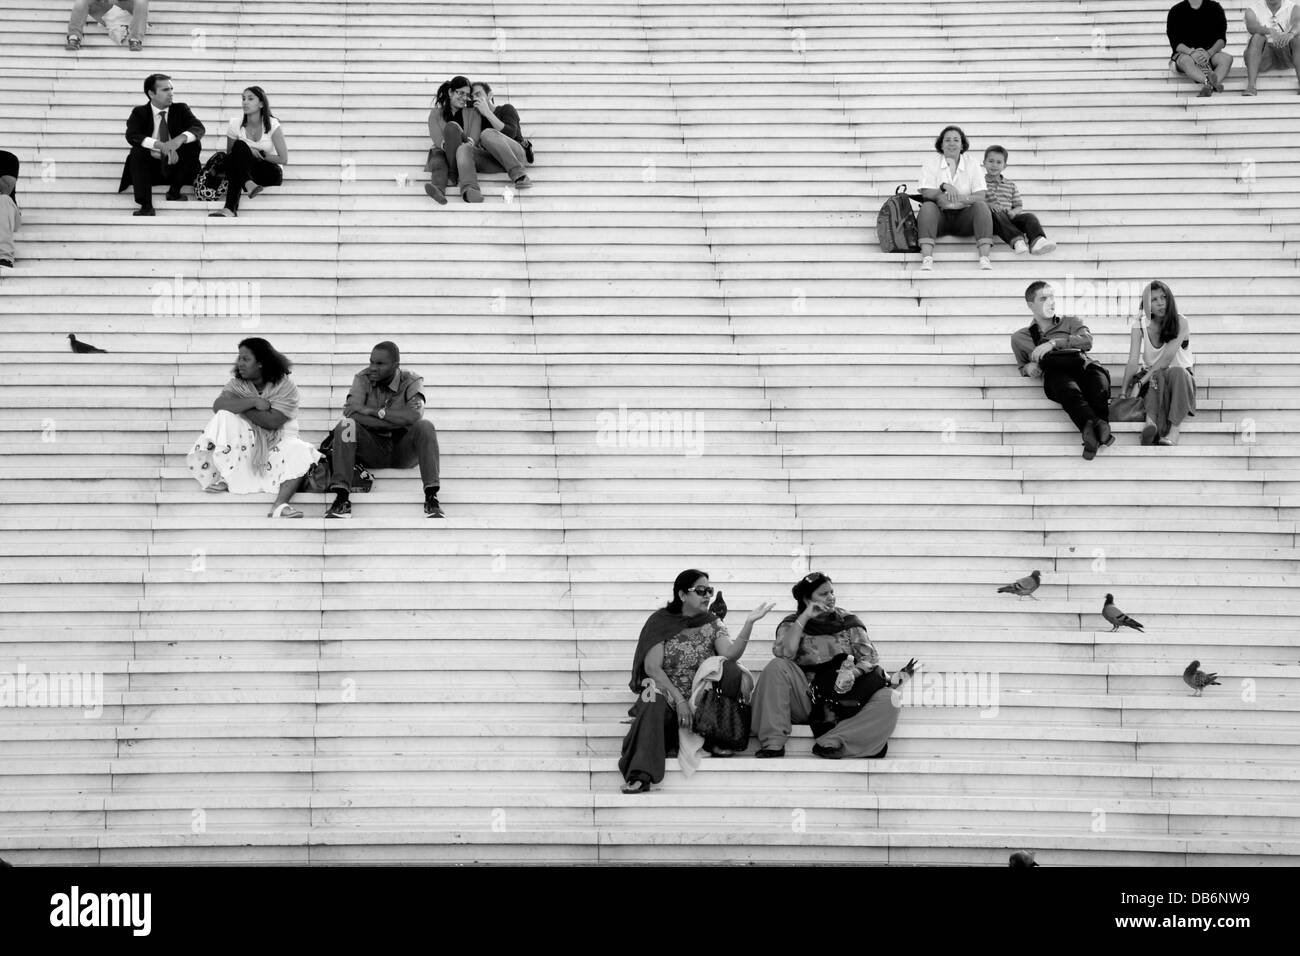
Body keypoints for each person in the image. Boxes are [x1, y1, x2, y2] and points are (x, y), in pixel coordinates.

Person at [619, 570, 775, 793]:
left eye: (709, 590)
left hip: (700, 697)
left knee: (730, 669)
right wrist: (680, 701)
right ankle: (640, 775)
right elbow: (652, 668)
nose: (707, 596)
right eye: (700, 591)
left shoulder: (712, 623)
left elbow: (729, 654)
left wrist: (749, 623)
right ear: (682, 595)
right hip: (666, 692)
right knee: (651, 697)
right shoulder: (661, 622)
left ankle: (716, 736)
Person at [751, 572, 908, 760]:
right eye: (823, 594)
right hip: (808, 698)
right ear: (807, 598)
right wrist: (805, 616)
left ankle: (833, 741)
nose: (831, 597)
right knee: (776, 667)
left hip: (845, 698)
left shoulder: (848, 622)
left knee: (891, 698)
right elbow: (785, 653)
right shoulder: (792, 624)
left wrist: (854, 673)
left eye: (832, 592)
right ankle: (773, 742)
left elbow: (870, 658)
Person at [187, 338, 319, 518]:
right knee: (224, 416)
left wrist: (240, 407)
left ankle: (280, 506)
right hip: (247, 441)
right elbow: (219, 405)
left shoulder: (286, 386)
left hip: (280, 439)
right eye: (239, 358)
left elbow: (273, 422)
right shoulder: (237, 385)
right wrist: (253, 402)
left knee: (301, 450)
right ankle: (228, 475)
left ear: (261, 363)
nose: (239, 364)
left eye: (245, 359)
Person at [325, 341, 444, 519]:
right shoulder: (362, 378)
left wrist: (374, 412)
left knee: (425, 426)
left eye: (380, 364)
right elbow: (351, 412)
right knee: (345, 426)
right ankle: (342, 499)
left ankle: (432, 498)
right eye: (371, 362)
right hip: (371, 448)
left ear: (396, 366)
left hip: (402, 449)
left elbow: (414, 417)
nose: (373, 367)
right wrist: (397, 418)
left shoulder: (412, 380)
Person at [1012, 280, 1113, 461]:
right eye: (1043, 298)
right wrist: (1028, 367)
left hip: (1084, 367)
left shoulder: (1070, 321)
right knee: (1066, 388)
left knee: (1099, 384)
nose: (1050, 301)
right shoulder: (1020, 337)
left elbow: (1087, 341)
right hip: (1057, 375)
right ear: (1030, 305)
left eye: (1052, 297)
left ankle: (1091, 431)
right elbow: (1022, 366)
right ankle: (1100, 426)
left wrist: (1053, 343)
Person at [424, 77, 531, 205]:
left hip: (514, 155)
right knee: (454, 153)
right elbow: (437, 134)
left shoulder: (505, 109)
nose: (472, 98)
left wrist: (487, 113)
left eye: (477, 94)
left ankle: (520, 175)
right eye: (471, 96)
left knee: (484, 135)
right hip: (489, 159)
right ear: (451, 93)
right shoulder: (471, 113)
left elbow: (511, 134)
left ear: (490, 95)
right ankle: (469, 190)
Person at [118, 74, 205, 216]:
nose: (171, 93)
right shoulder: (139, 112)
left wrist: (177, 141)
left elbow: (198, 128)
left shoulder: (181, 109)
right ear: (151, 93)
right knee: (137, 150)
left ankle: (174, 192)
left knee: (194, 142)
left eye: (171, 88)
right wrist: (159, 145)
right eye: (165, 90)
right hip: (151, 170)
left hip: (177, 168)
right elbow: (132, 135)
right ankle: (146, 205)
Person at [1123, 281, 1196, 446]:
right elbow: (1133, 360)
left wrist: (1140, 382)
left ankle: (1173, 432)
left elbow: (1166, 360)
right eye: (1154, 299)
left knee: (1174, 372)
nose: (1161, 303)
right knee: (1157, 376)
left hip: (1181, 382)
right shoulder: (1140, 325)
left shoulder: (1181, 322)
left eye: (1164, 297)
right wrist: (1122, 393)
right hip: (1156, 380)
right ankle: (1150, 427)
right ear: (1147, 305)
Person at [916, 125, 995, 272]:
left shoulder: (972, 163)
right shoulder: (931, 162)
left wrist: (961, 199)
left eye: (956, 140)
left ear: (962, 144)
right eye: (947, 140)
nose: (952, 143)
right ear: (941, 144)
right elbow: (926, 192)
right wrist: (943, 187)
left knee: (982, 207)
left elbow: (980, 195)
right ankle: (927, 259)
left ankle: (984, 259)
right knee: (927, 207)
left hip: (964, 218)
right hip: (939, 217)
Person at [208, 86, 287, 218]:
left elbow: (283, 159)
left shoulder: (272, 124)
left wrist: (262, 155)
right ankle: (243, 191)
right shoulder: (235, 124)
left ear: (261, 103)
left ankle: (231, 207)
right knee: (239, 147)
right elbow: (231, 158)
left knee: (239, 156)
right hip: (247, 172)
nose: (245, 102)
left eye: (250, 99)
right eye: (243, 98)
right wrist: (248, 151)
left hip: (269, 172)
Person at [983, 145, 1057, 257]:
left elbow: (1018, 206)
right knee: (997, 213)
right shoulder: (980, 183)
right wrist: (989, 205)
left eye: (999, 162)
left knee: (1029, 217)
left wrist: (1014, 212)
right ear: (984, 162)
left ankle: (1037, 241)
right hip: (993, 220)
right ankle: (1017, 240)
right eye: (991, 161)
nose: (994, 165)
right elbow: (976, 201)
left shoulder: (1010, 185)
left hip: (1009, 218)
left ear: (1005, 166)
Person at [1167, 0, 1233, 97]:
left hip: (1209, 53)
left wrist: (1208, 53)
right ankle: (1209, 82)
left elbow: (1221, 39)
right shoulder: (1176, 10)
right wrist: (1191, 52)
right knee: (1186, 60)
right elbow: (1175, 43)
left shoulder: (1215, 8)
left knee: (1227, 58)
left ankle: (1208, 86)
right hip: (1185, 54)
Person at [1244, 0, 1300, 94]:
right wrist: (1269, 31)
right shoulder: (1252, 9)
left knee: (1297, 39)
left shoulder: (1293, 7)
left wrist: (1290, 34)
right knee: (1258, 37)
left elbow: (1298, 22)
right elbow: (1251, 27)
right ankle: (1251, 86)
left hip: (1285, 55)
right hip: (1263, 57)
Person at [67, 0, 148, 51]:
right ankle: (74, 37)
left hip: (125, 5)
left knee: (141, 1)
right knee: (81, 1)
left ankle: (135, 39)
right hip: (105, 6)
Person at [0, 150, 18, 272]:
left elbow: (6, 188)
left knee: (3, 199)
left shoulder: (8, 158)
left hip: (8, 214)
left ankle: (5, 257)